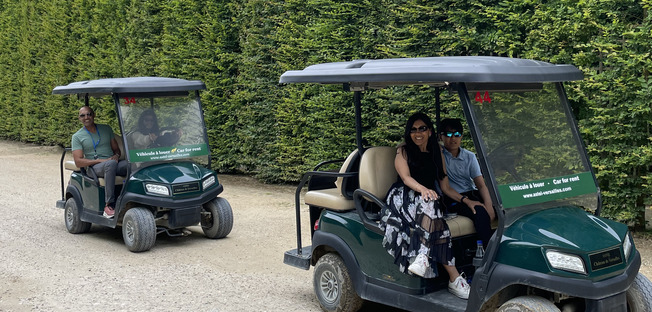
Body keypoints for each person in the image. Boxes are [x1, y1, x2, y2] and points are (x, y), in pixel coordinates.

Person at [380, 112, 470, 299]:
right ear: (409, 133)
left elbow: (445, 187)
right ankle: (453, 278)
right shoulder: (403, 151)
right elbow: (406, 178)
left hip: (427, 199)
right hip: (403, 197)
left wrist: (467, 200)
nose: (418, 133)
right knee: (430, 203)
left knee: (434, 211)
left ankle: (422, 258)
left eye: (422, 128)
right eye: (413, 129)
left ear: (429, 131)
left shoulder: (438, 152)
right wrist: (423, 189)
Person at [439, 118, 495, 247]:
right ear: (440, 136)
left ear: (461, 136)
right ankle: (489, 254)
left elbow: (481, 184)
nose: (453, 138)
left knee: (503, 206)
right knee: (479, 211)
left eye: (457, 134)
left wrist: (490, 206)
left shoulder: (469, 156)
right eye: (448, 134)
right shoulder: (440, 155)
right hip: (453, 198)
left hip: (471, 193)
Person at [71, 106, 127, 218]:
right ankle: (109, 205)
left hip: (112, 163)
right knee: (110, 164)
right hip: (93, 168)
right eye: (83, 115)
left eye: (89, 114)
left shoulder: (106, 129)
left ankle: (133, 197)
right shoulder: (77, 137)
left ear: (94, 115)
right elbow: (78, 162)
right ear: (79, 118)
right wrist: (102, 160)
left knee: (131, 164)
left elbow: (117, 150)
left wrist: (116, 156)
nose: (86, 117)